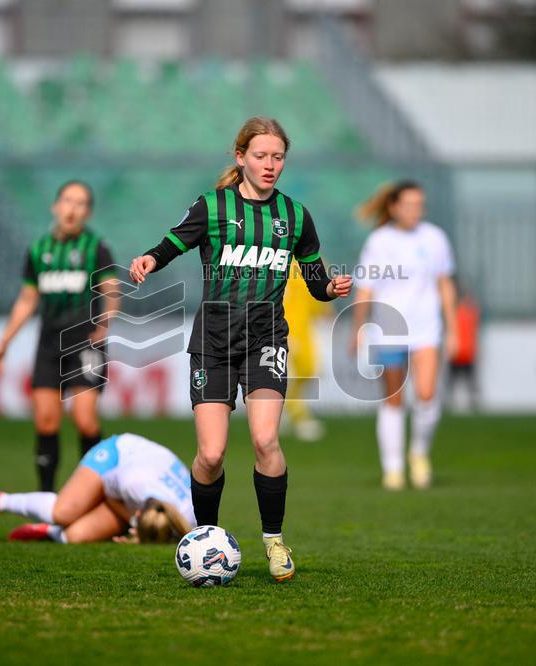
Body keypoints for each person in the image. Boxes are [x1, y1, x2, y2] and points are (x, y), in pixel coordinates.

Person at [129, 116, 352, 582]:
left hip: (266, 338)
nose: (270, 165)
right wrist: (150, 258)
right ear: (240, 158)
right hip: (212, 341)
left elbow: (314, 283)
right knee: (210, 455)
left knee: (266, 439)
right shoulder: (212, 207)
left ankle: (273, 541)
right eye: (260, 156)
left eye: (277, 157)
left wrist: (331, 287)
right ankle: (205, 537)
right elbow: (174, 242)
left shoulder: (295, 216)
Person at [0, 181, 118, 493]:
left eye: (81, 203)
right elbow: (27, 299)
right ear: (55, 206)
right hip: (49, 344)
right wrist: (3, 343)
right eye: (68, 201)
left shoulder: (96, 248)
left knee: (85, 420)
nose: (73, 209)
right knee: (46, 422)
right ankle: (46, 497)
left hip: (85, 342)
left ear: (88, 212)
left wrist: (106, 321)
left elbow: (111, 290)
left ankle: (93, 492)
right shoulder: (38, 250)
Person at [350, 181, 457, 491]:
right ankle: (393, 469)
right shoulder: (379, 241)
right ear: (394, 207)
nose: (415, 210)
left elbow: (445, 285)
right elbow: (365, 289)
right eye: (408, 204)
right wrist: (358, 328)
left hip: (426, 330)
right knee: (393, 400)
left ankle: (419, 453)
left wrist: (453, 330)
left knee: (426, 394)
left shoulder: (435, 238)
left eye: (419, 204)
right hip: (389, 329)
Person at [0, 433, 194, 545]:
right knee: (63, 512)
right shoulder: (132, 482)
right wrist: (133, 526)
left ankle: (48, 532)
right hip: (118, 455)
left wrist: (139, 536)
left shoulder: (187, 519)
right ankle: (0, 501)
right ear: (138, 514)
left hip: (136, 491)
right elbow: (109, 494)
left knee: (75, 537)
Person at [282, 258, 331, 441]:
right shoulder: (280, 257)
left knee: (308, 370)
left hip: (305, 328)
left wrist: (325, 310)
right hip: (285, 326)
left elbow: (319, 290)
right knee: (291, 373)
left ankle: (286, 410)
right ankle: (298, 417)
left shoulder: (313, 261)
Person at [447, 281, 481, 413]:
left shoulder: (467, 311)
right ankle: (450, 403)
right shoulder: (458, 312)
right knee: (454, 382)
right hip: (457, 353)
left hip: (466, 353)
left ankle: (474, 403)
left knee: (470, 382)